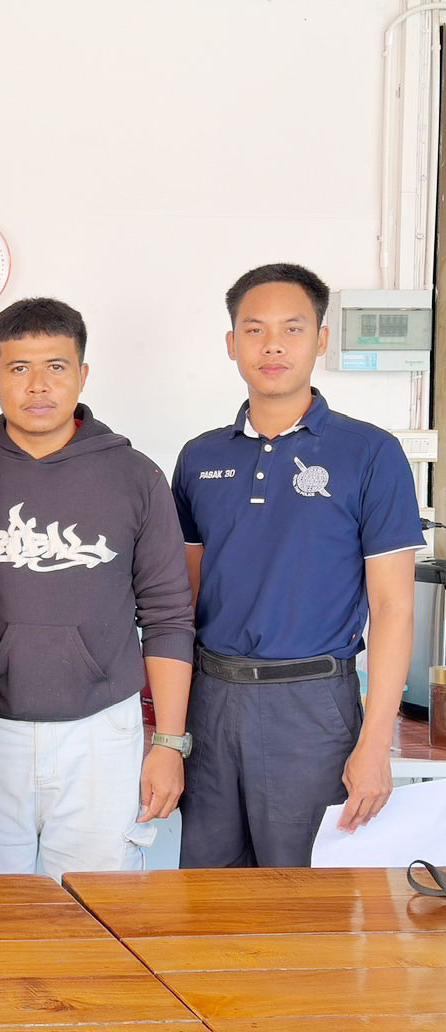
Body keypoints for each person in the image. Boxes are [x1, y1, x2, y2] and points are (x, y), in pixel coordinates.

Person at [173, 263, 422, 868]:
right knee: (207, 893)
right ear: (232, 343)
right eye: (254, 330)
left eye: (293, 328)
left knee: (304, 896)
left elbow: (393, 606)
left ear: (321, 340)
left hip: (313, 705)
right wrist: (168, 732)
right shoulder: (199, 456)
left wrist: (375, 743)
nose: (273, 346)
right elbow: (184, 600)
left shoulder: (370, 452)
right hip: (212, 701)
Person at [0, 298, 194, 880]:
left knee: (96, 909)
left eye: (57, 367)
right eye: (19, 368)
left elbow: (168, 616)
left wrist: (169, 742)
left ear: (83, 374)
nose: (38, 385)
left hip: (101, 732)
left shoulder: (135, 475)